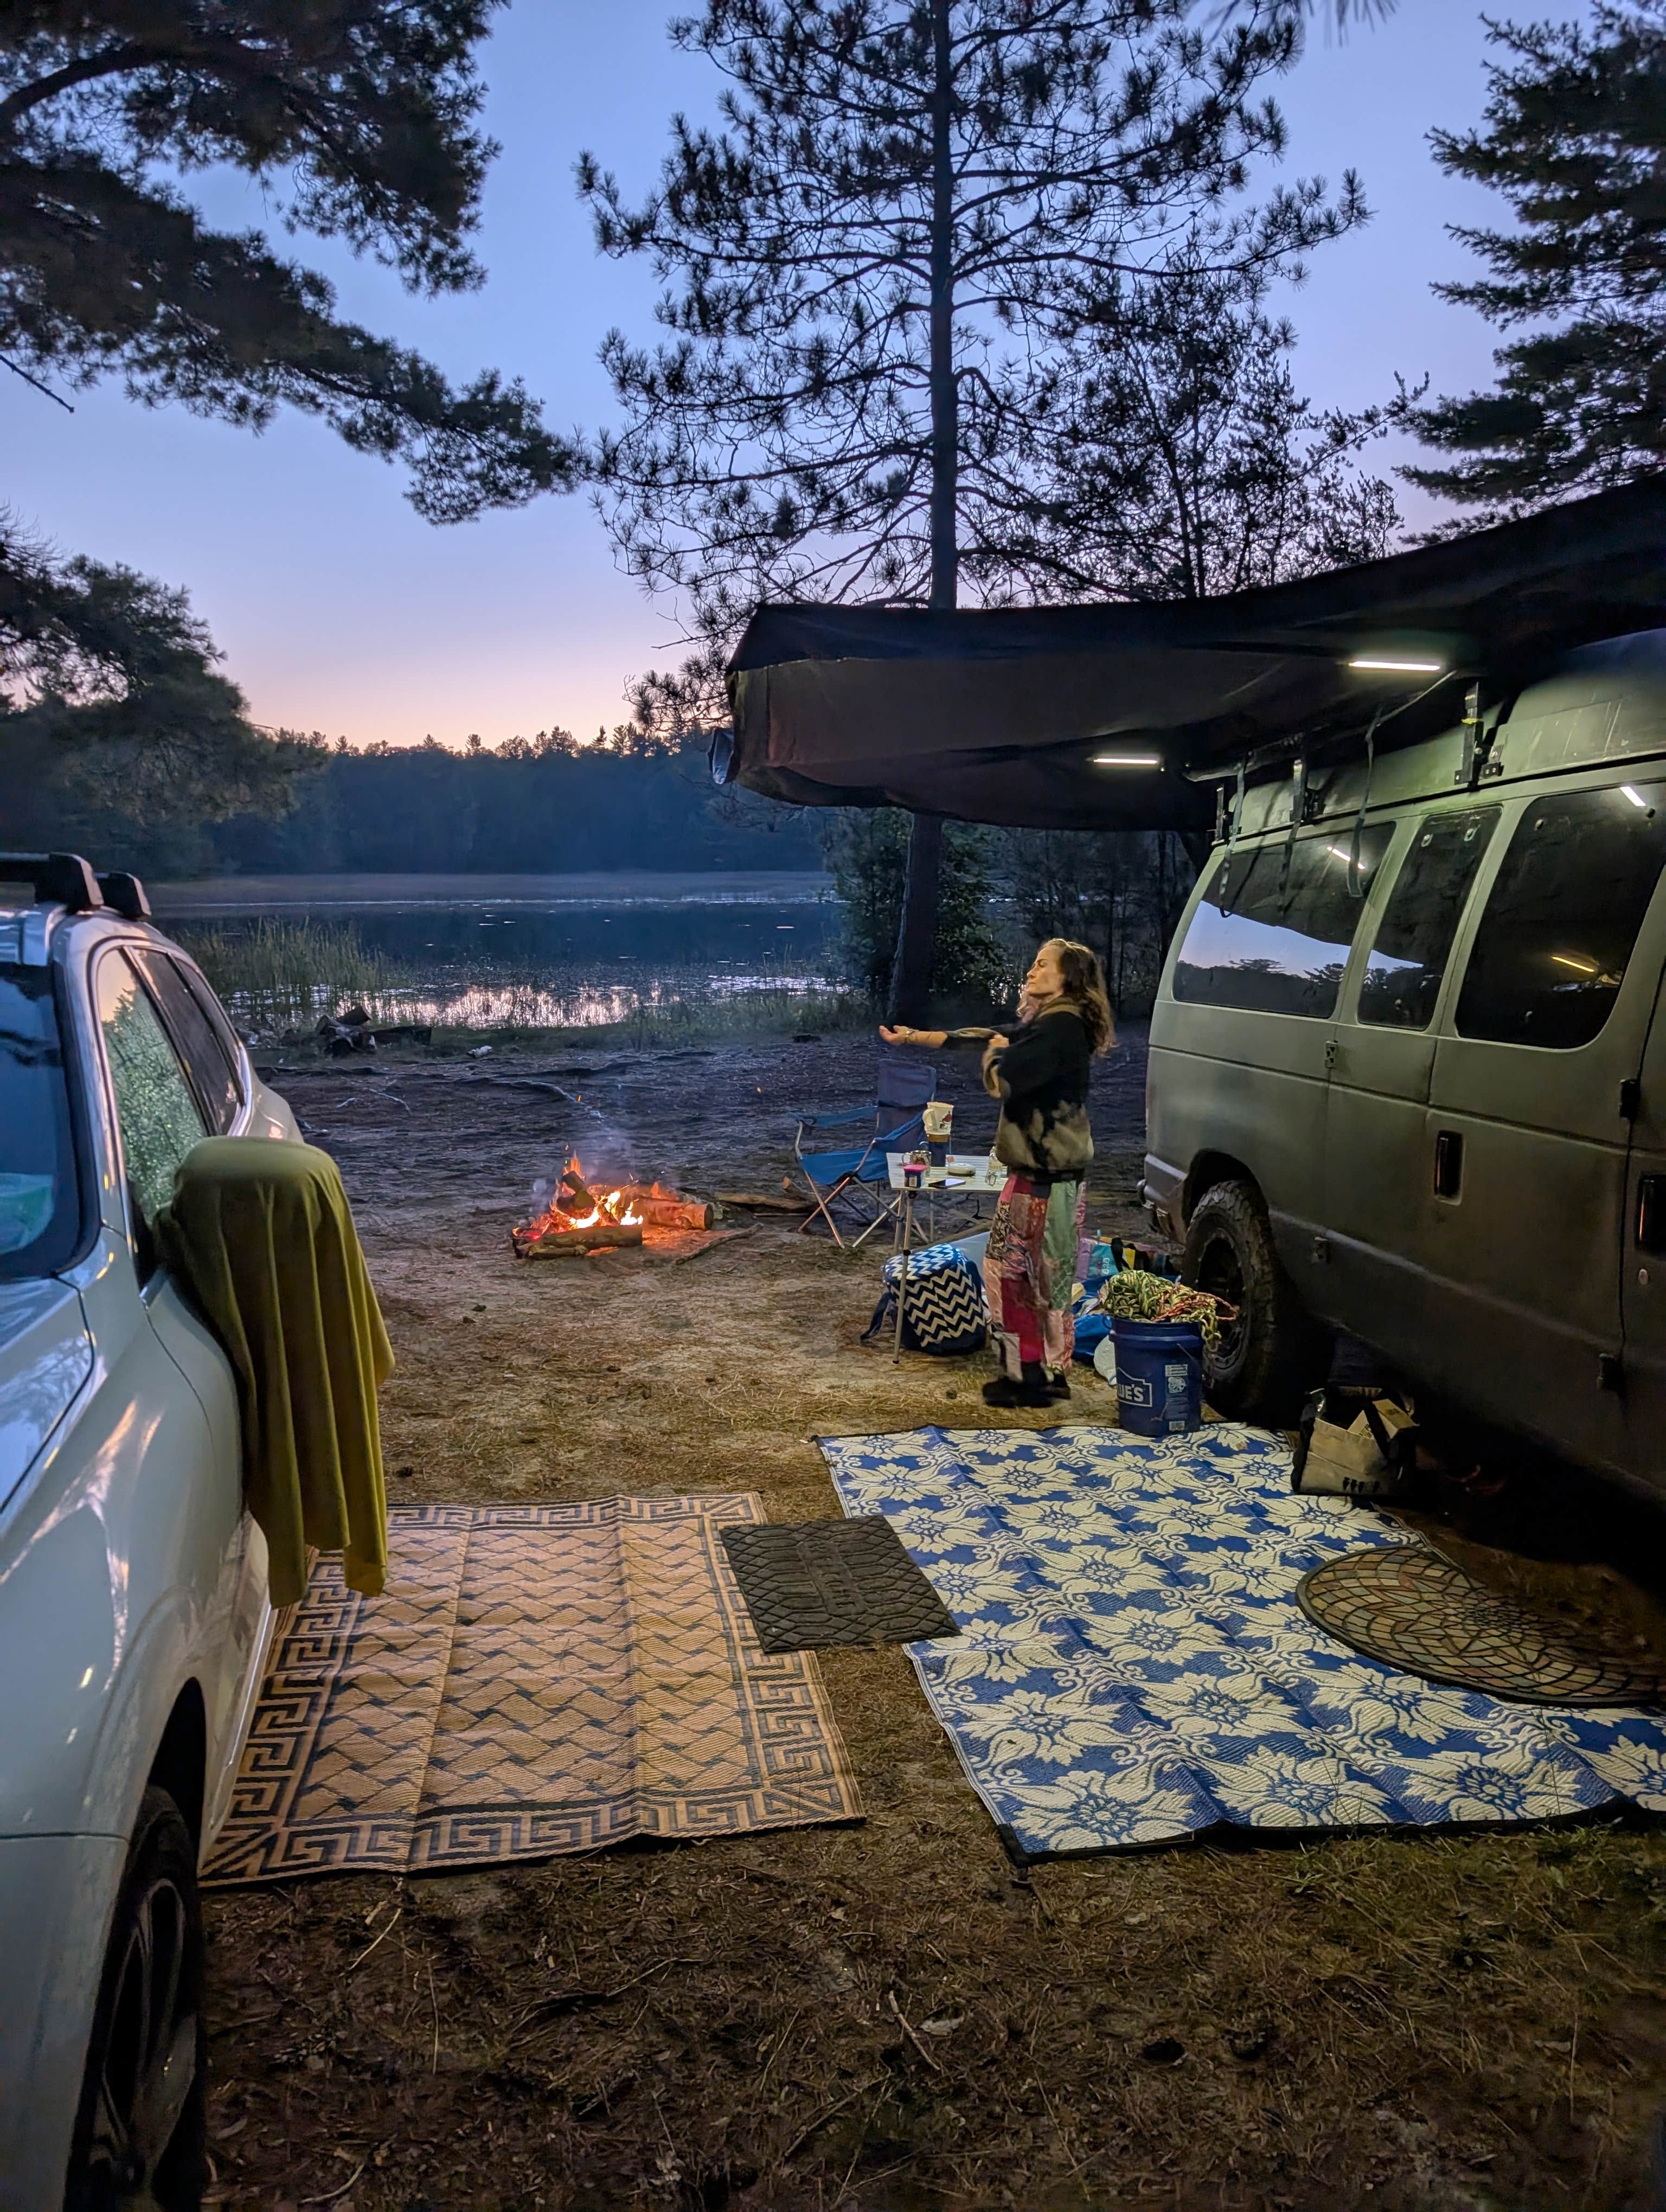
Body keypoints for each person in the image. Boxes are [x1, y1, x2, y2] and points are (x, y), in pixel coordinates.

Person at [882, 937, 1115, 1407]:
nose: (1030, 973)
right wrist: (914, 1037)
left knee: (1045, 1282)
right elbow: (983, 1034)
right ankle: (1021, 1371)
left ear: (1066, 979)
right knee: (1009, 1275)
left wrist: (997, 1053)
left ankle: (1048, 1374)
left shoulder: (1062, 1029)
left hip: (1053, 1181)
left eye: (1041, 965)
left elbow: (1003, 1078)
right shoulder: (1049, 1024)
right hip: (1029, 1178)